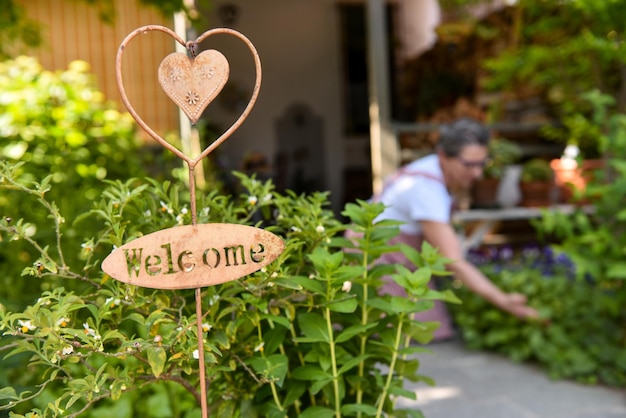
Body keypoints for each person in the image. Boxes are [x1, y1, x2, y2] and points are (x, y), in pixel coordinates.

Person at [374, 117, 538, 340]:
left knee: (434, 328)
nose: (478, 173)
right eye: (469, 165)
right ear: (444, 156)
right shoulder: (426, 190)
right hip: (377, 261)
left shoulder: (432, 169)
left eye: (482, 163)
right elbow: (453, 262)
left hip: (402, 260)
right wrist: (504, 301)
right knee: (418, 332)